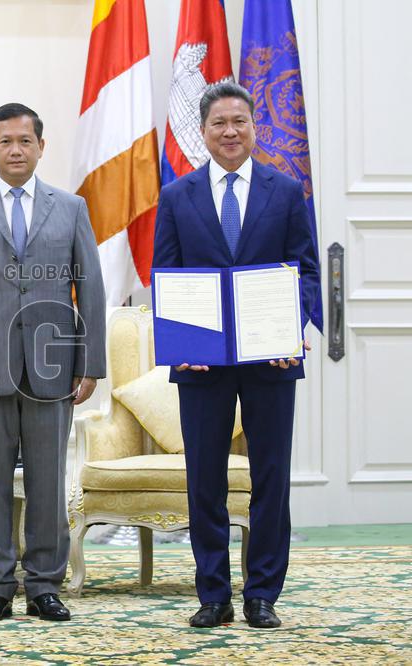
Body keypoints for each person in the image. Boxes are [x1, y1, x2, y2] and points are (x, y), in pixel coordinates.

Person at [153, 81, 320, 629]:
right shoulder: (178, 196)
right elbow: (168, 276)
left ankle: (263, 593)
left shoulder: (286, 190)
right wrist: (181, 347)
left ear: (254, 127)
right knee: (205, 478)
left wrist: (291, 330)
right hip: (202, 362)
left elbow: (306, 270)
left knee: (272, 475)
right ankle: (214, 595)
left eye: (239, 122)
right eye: (219, 123)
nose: (230, 132)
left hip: (270, 360)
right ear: (202, 132)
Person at [0, 103, 106, 622]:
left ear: (40, 147)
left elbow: (91, 288)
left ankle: (45, 585)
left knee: (49, 479)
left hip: (53, 366)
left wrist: (89, 361)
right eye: (5, 141)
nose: (15, 149)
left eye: (25, 141)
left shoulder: (70, 207)